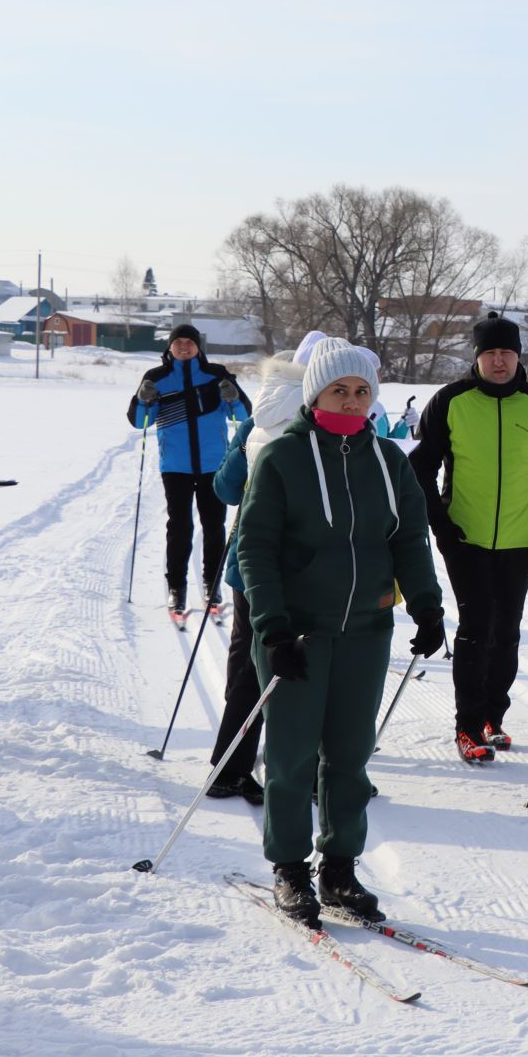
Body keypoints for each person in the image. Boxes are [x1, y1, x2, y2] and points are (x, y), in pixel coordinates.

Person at [235, 340, 446, 927]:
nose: (352, 401)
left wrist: (427, 607)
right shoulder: (282, 458)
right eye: (339, 390)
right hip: (296, 633)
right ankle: (289, 869)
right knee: (292, 757)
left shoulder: (388, 459)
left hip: (366, 630)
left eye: (361, 392)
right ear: (315, 393)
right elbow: (254, 547)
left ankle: (339, 869)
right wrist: (272, 627)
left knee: (351, 757)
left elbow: (409, 538)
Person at [408, 312, 528, 762]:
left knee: (508, 632)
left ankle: (493, 717)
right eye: (491, 353)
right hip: (466, 538)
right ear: (477, 357)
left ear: (518, 356)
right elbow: (420, 466)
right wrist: (441, 523)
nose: (499, 362)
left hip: (519, 538)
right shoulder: (451, 401)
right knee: (476, 628)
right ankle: (467, 725)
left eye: (507, 353)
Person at [203, 331, 334, 805]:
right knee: (317, 669)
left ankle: (229, 766)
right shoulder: (332, 415)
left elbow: (225, 489)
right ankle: (316, 774)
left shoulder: (257, 415)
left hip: (250, 563)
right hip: (313, 564)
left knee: (249, 664)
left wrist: (245, 457)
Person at [126, 324, 249, 620]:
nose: (183, 347)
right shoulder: (156, 378)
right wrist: (144, 400)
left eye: (189, 342)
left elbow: (243, 415)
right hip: (176, 466)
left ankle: (212, 584)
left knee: (214, 525)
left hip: (213, 464)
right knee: (179, 528)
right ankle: (176, 588)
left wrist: (232, 396)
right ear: (170, 347)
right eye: (178, 342)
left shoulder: (216, 375)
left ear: (198, 346)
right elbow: (140, 421)